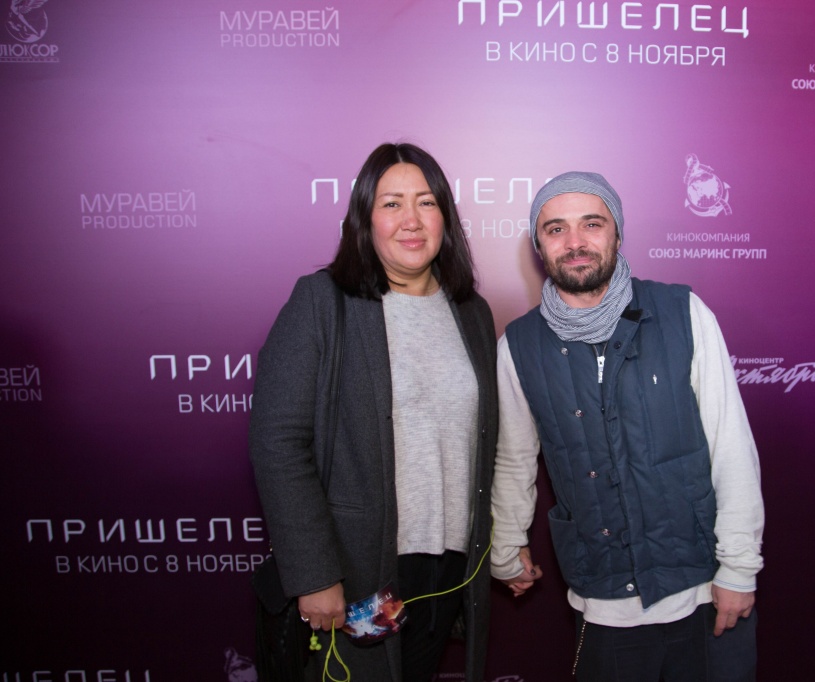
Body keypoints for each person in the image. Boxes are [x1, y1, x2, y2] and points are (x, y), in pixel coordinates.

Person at [490, 171, 764, 681]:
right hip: (604, 599)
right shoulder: (519, 346)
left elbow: (731, 446)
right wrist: (506, 547)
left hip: (705, 590)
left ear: (617, 233)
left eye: (592, 224)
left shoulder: (682, 313)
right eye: (556, 229)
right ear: (538, 245)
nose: (575, 242)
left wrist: (739, 568)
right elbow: (513, 459)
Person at [249, 142, 498, 682]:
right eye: (391, 204)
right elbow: (278, 441)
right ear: (365, 218)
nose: (411, 220)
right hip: (358, 570)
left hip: (447, 569)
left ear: (446, 218)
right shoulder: (322, 302)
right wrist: (314, 574)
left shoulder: (472, 313)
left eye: (426, 202)